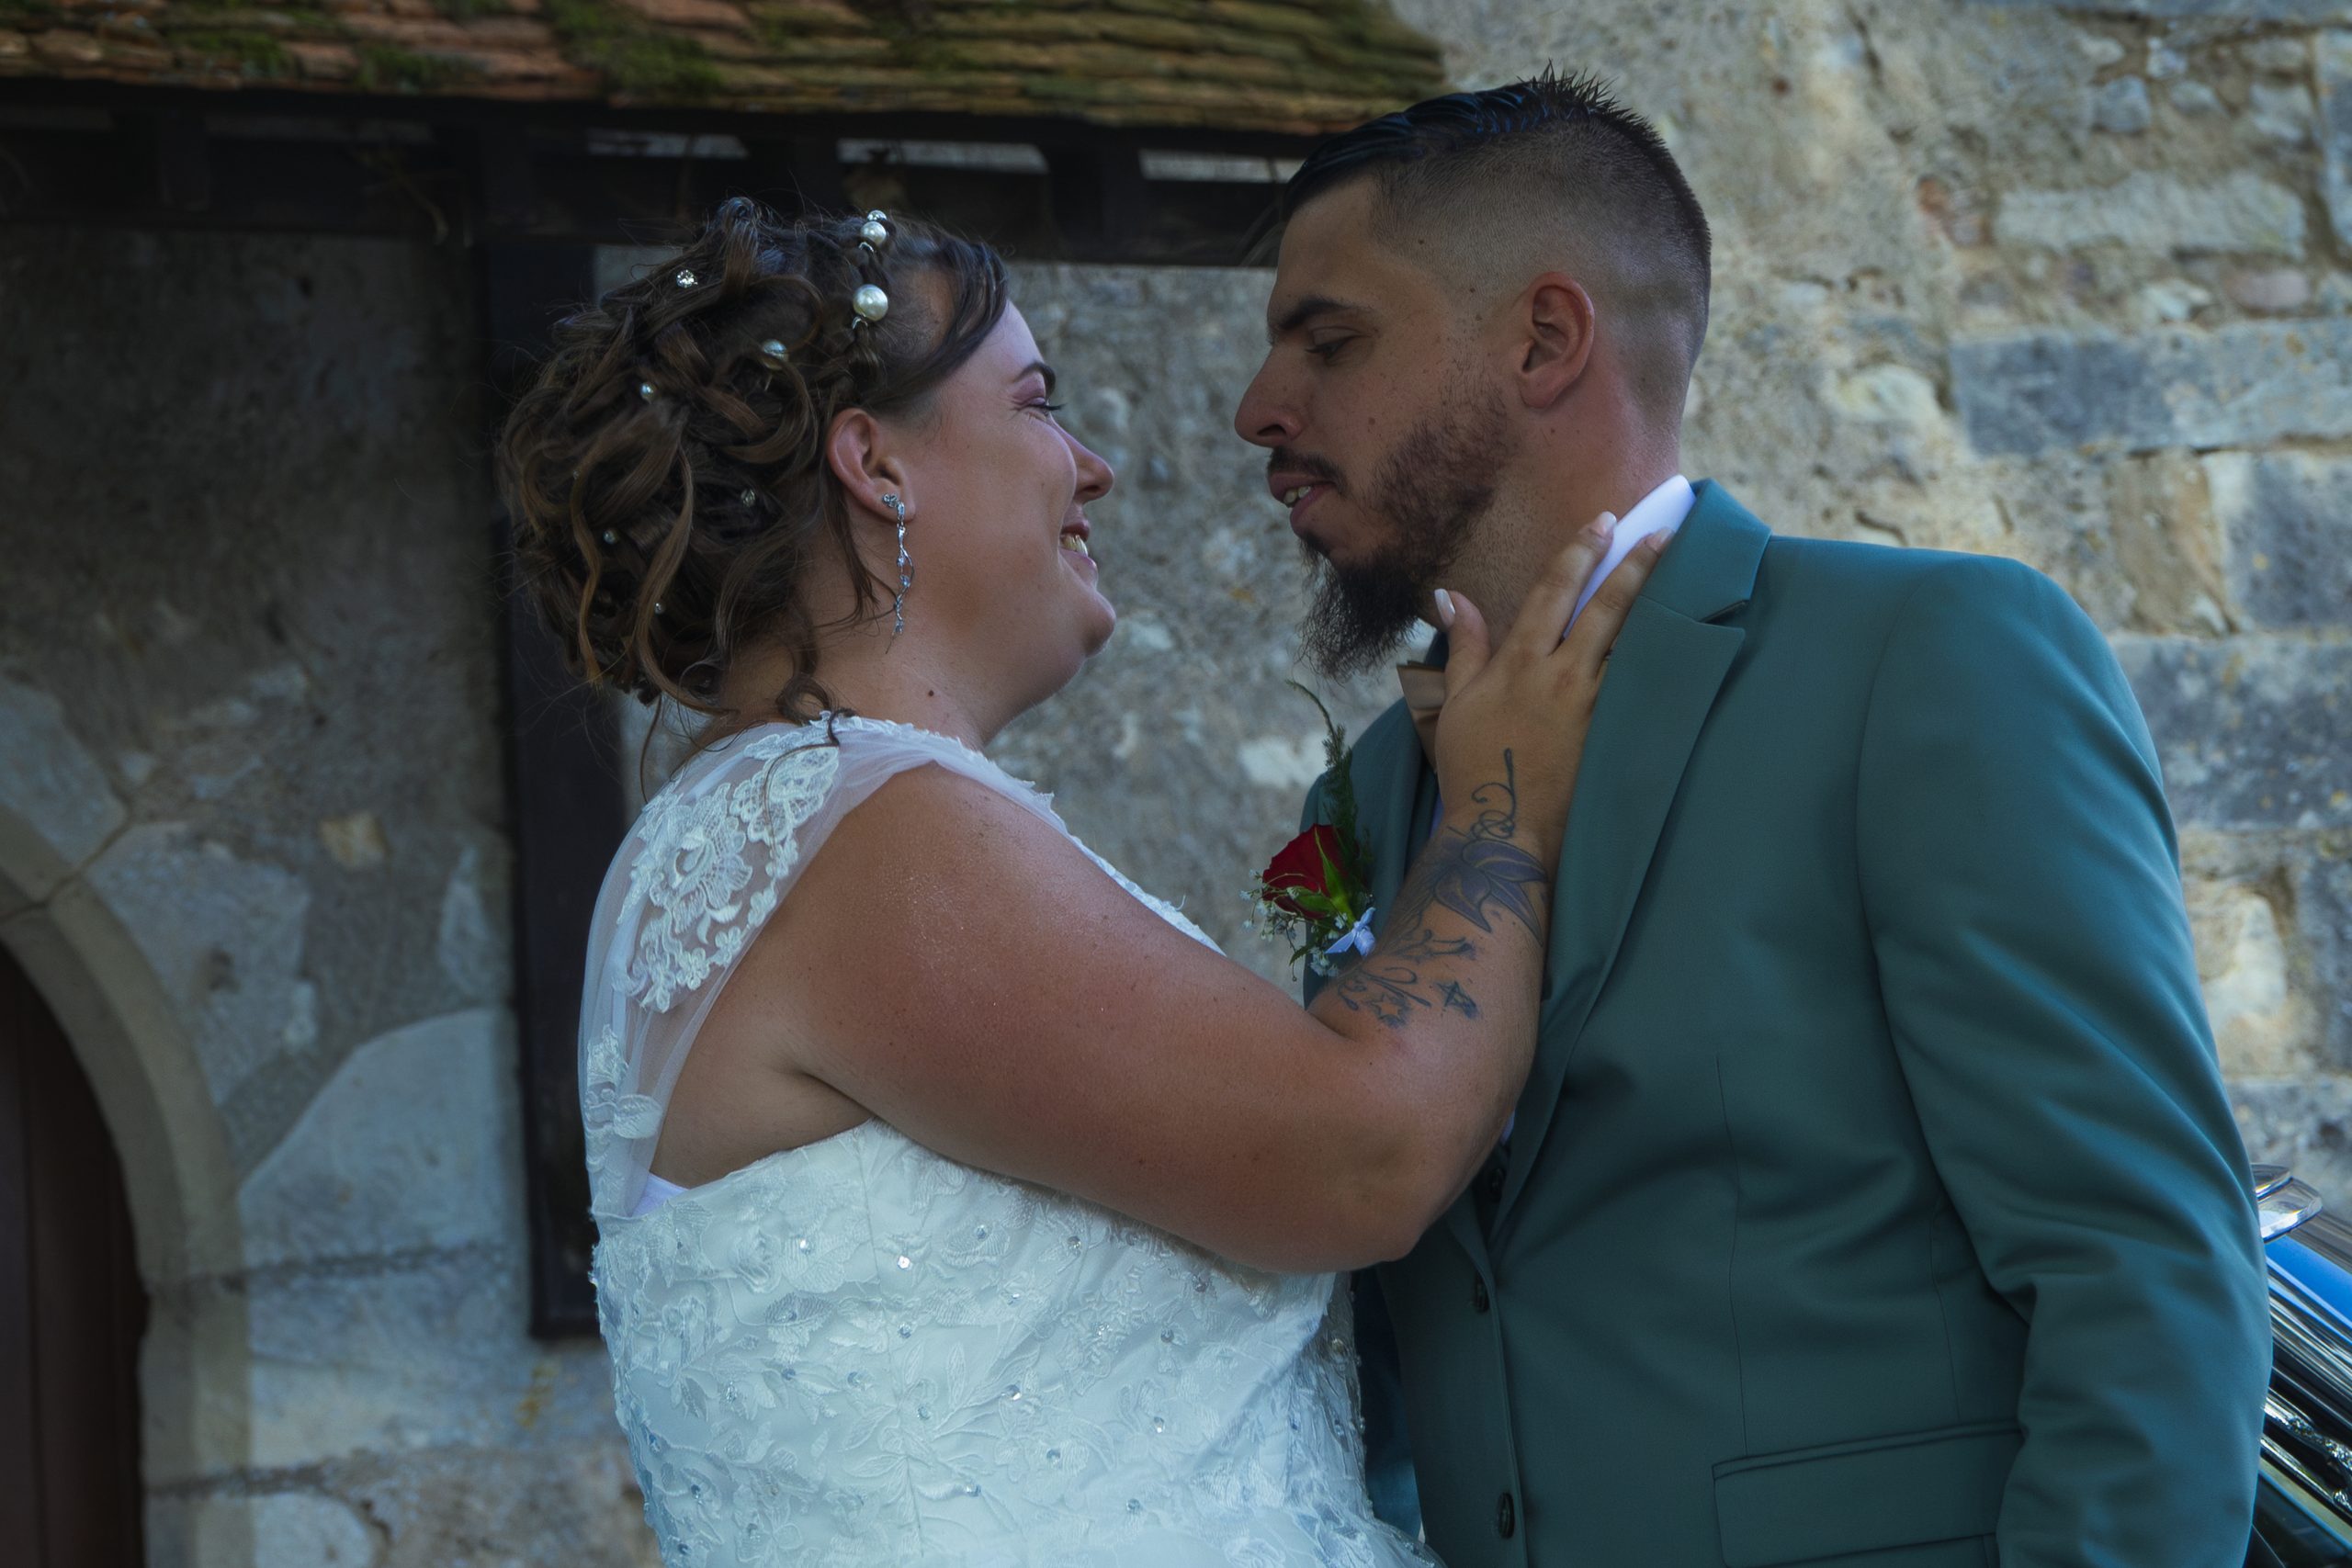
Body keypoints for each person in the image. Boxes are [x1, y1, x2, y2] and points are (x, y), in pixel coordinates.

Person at [494, 197, 1663, 1566]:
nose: (1093, 468)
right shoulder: (863, 834)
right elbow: (1365, 1152)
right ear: (876, 464)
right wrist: (1501, 804)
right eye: (1037, 404)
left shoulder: (760, 827)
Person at [1238, 71, 2272, 1568]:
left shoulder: (1924, 661)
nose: (1262, 411)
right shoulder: (1368, 798)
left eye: (1331, 342)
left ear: (1544, 340)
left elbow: (2144, 1268)